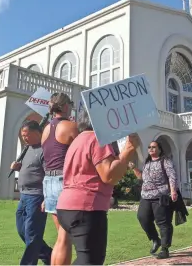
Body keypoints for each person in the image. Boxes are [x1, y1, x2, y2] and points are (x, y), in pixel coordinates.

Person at [56, 109, 140, 265]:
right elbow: (109, 175)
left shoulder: (78, 140)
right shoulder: (97, 139)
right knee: (91, 261)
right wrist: (128, 150)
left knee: (86, 258)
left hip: (67, 207)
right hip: (86, 208)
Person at [41, 93, 78, 265]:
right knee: (65, 237)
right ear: (64, 106)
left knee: (61, 236)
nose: (71, 107)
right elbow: (83, 153)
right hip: (63, 182)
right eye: (70, 104)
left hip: (49, 181)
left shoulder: (46, 129)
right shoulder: (70, 126)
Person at [11, 120, 52, 265]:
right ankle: (48, 255)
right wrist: (18, 167)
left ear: (37, 133)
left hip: (37, 196)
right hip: (24, 196)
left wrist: (47, 197)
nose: (24, 138)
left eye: (26, 135)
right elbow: (30, 168)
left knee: (32, 235)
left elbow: (49, 175)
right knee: (22, 231)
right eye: (22, 135)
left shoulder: (44, 150)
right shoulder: (27, 149)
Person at [131, 141, 178, 259]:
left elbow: (172, 176)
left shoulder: (165, 161)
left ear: (160, 149)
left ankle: (164, 248)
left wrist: (173, 191)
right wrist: (133, 168)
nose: (151, 149)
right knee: (142, 218)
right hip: (146, 196)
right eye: (149, 147)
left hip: (160, 196)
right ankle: (155, 239)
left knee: (163, 223)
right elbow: (141, 177)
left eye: (154, 147)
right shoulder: (147, 162)